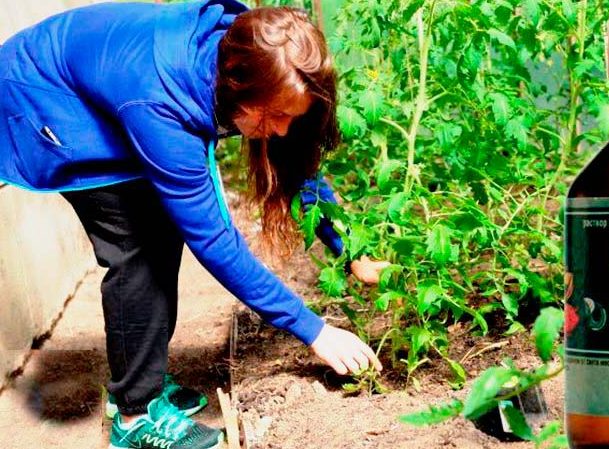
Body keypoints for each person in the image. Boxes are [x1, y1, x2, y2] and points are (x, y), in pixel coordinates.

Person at [0, 1, 388, 448]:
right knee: (139, 245)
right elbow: (214, 239)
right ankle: (136, 414)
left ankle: (140, 381)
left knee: (159, 232)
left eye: (290, 116)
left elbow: (295, 160)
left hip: (103, 85)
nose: (281, 129)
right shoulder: (164, 101)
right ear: (235, 86)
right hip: (43, 99)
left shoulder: (254, 54)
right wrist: (313, 329)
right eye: (273, 116)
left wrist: (349, 250)